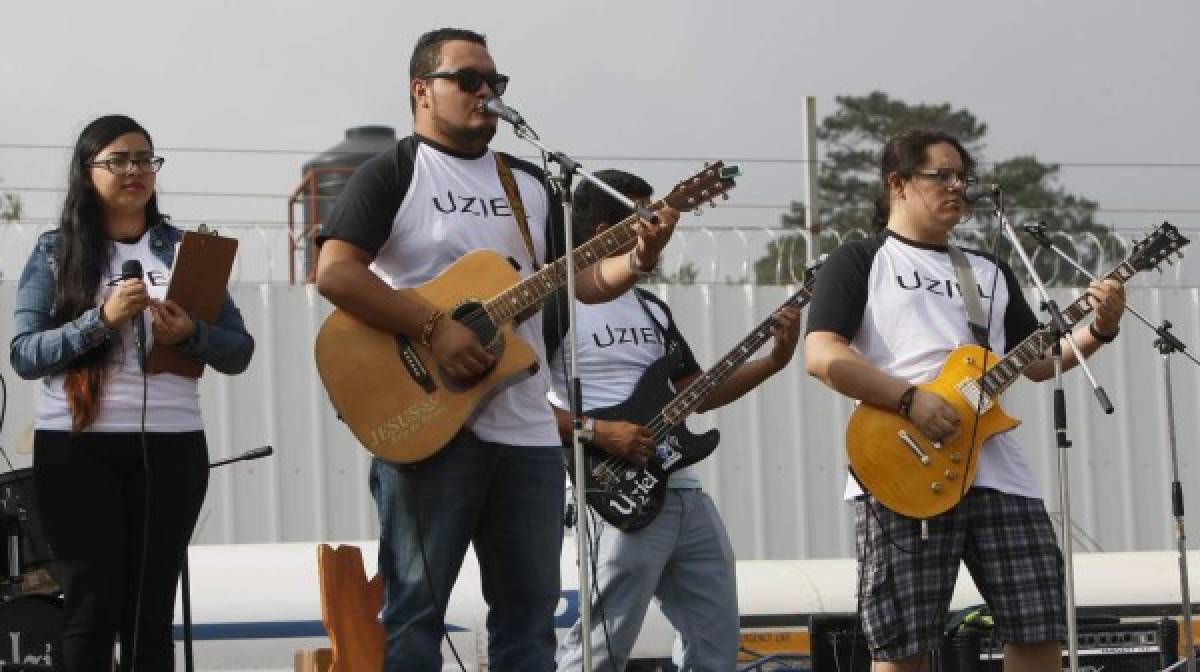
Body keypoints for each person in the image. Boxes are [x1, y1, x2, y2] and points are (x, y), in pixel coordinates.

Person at [313, 28, 679, 670]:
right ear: (421, 90)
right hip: (429, 425)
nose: (487, 92)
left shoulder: (531, 183)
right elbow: (337, 273)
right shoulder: (393, 172)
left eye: (496, 83)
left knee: (530, 619)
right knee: (415, 616)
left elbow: (581, 281)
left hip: (529, 436)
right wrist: (434, 327)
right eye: (470, 80)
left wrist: (639, 257)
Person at [803, 128, 1127, 671]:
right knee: (904, 646)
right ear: (898, 183)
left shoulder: (988, 270)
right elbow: (822, 356)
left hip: (1000, 476)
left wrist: (1101, 329)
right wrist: (909, 400)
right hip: (901, 469)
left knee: (1039, 627)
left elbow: (1040, 361)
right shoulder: (860, 260)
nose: (958, 187)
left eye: (963, 178)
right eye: (942, 175)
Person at [9, 114, 254, 671]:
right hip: (77, 449)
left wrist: (192, 334)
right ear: (87, 172)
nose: (134, 171)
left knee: (149, 617)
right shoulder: (56, 251)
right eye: (117, 160)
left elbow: (239, 351)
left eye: (145, 159)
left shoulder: (186, 249)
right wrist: (102, 319)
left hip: (170, 446)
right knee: (91, 612)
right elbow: (24, 353)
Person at [545, 170, 801, 671]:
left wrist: (772, 362)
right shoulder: (555, 304)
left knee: (716, 633)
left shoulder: (651, 307)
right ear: (605, 233)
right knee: (605, 638)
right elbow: (517, 402)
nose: (658, 233)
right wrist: (600, 432)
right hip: (609, 489)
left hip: (681, 485)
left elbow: (696, 394)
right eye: (646, 221)